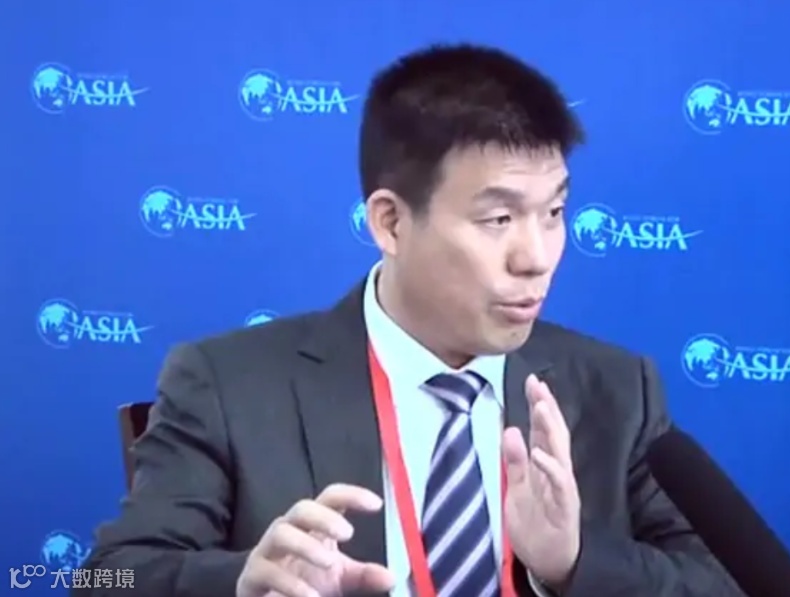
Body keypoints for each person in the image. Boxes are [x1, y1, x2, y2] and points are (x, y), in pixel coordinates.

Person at [76, 43, 743, 597]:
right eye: (498, 218)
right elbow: (108, 576)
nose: (537, 257)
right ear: (391, 222)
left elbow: (727, 584)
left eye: (554, 213)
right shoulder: (228, 385)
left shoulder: (615, 388)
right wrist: (243, 580)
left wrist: (573, 562)